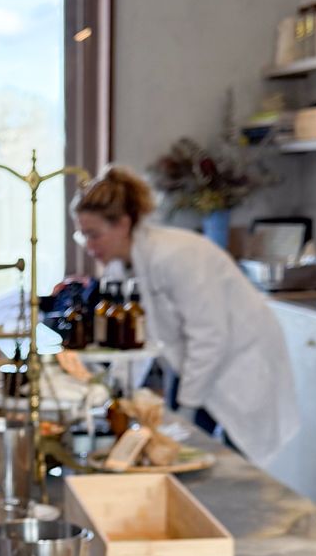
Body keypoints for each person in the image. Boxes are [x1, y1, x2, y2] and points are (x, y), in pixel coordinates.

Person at [72, 165, 299, 464]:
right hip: (198, 362)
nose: (88, 246)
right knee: (189, 451)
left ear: (123, 224)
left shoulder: (176, 256)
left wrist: (186, 408)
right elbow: (138, 340)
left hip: (241, 361)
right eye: (82, 236)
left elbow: (210, 337)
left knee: (230, 461)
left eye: (94, 235)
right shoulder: (122, 265)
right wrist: (110, 391)